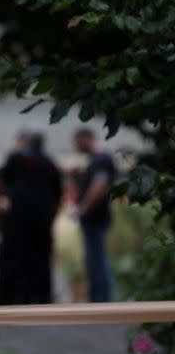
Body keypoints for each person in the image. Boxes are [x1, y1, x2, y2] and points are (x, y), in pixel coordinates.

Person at [0, 132, 62, 304]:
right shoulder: (50, 163)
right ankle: (40, 298)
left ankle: (9, 299)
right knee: (40, 261)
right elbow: (57, 195)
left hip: (16, 219)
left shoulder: (16, 157)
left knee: (12, 259)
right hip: (41, 220)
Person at [72, 128, 116, 302]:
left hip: (95, 220)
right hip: (94, 219)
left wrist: (83, 209)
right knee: (95, 262)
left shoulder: (101, 159)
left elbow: (99, 186)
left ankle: (101, 303)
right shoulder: (96, 160)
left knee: (97, 263)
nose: (75, 146)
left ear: (85, 139)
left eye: (76, 141)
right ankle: (99, 301)